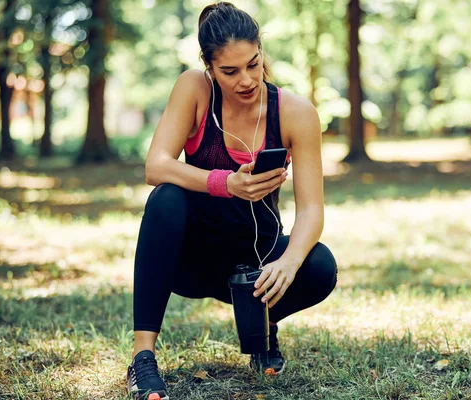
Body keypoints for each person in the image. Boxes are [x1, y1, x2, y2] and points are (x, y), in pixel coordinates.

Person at [126, 2, 338, 399]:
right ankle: (142, 358)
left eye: (253, 64)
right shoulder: (194, 88)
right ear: (209, 66)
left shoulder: (296, 112)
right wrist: (226, 183)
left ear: (261, 54)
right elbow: (155, 166)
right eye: (230, 71)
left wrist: (288, 263)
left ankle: (262, 327)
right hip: (192, 259)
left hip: (254, 265)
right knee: (165, 199)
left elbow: (312, 208)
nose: (246, 79)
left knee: (321, 264)